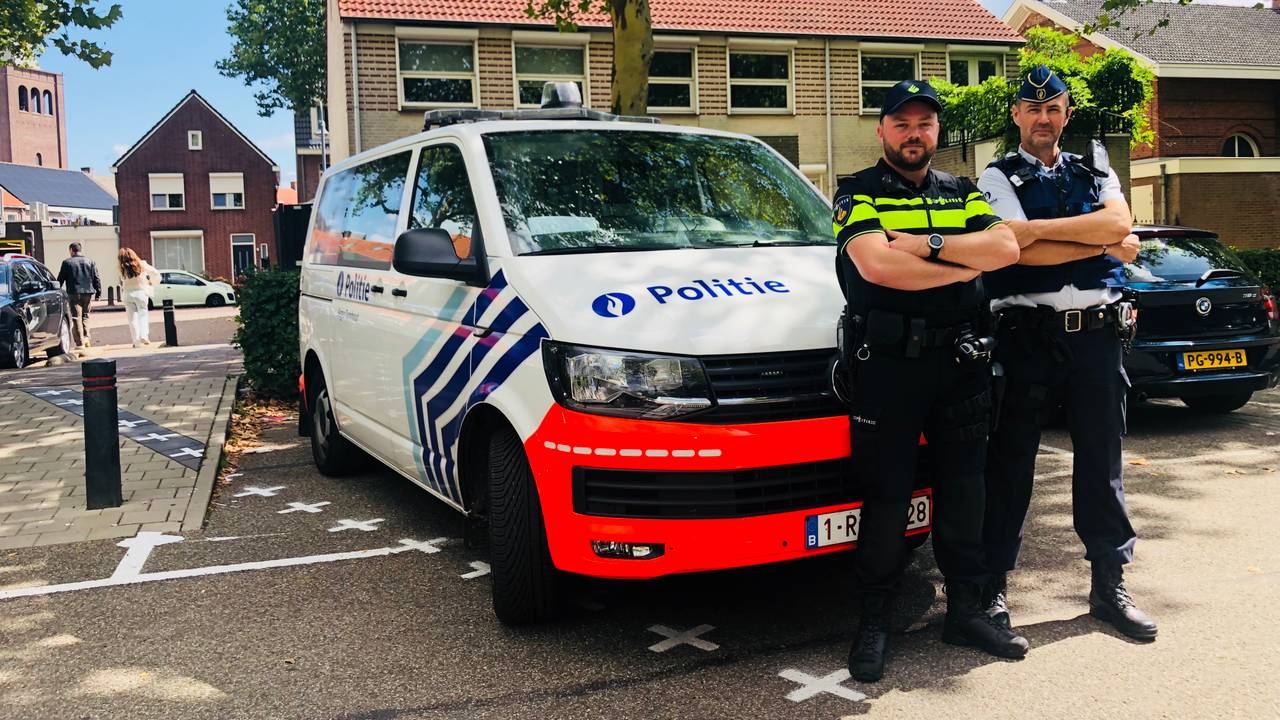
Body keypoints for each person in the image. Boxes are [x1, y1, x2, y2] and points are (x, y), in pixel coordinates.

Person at [833, 79, 1029, 683]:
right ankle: (875, 621)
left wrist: (928, 246)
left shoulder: (963, 191)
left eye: (924, 123)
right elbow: (876, 265)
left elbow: (1006, 249)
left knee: (966, 492)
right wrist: (962, 263)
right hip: (890, 369)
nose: (914, 133)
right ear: (882, 130)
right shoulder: (855, 192)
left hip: (961, 365)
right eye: (902, 123)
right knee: (888, 497)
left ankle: (966, 612)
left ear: (936, 131)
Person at [977, 65, 1156, 641]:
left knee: (1101, 466)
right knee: (1010, 467)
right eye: (1032, 109)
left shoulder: (1096, 165)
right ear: (1016, 116)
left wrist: (1043, 232)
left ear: (1066, 114)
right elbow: (1011, 250)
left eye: (1053, 107)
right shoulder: (996, 174)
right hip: (1028, 336)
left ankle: (1109, 585)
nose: (1043, 118)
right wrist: (1100, 238)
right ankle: (991, 590)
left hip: (1098, 336)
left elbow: (1123, 223)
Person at [56, 242, 101, 349]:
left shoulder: (67, 262)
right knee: (86, 316)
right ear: (80, 250)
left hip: (74, 293)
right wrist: (98, 293)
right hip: (88, 293)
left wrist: (57, 289)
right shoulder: (90, 262)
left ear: (71, 250)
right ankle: (86, 338)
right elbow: (96, 278)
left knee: (76, 317)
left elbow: (61, 278)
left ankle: (80, 343)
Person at [118, 248, 160, 348]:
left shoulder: (121, 268)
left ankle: (136, 342)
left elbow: (121, 281)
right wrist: (152, 282)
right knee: (143, 315)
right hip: (141, 293)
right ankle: (144, 335)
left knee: (132, 319)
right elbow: (155, 273)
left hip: (128, 294)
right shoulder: (142, 264)